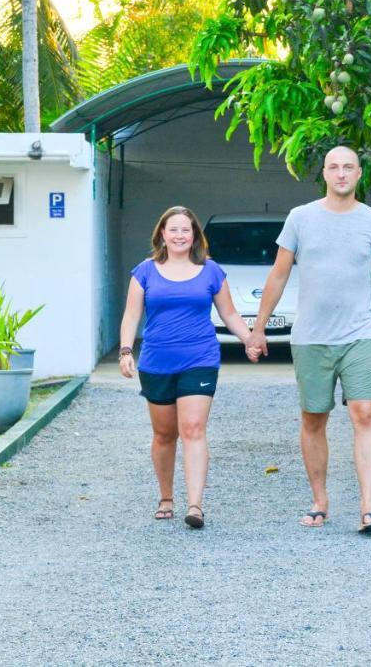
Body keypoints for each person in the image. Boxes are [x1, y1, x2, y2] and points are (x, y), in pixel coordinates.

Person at [246, 146, 371, 534]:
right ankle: (320, 501)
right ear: (323, 173)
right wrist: (258, 328)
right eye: (334, 167)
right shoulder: (301, 218)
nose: (341, 174)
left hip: (360, 334)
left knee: (365, 412)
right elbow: (279, 273)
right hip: (311, 337)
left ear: (358, 174)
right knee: (314, 417)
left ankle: (368, 506)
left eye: (348, 167)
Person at [119, 206, 254, 529]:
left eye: (186, 230)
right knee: (165, 434)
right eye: (173, 230)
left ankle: (195, 505)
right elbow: (131, 316)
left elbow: (230, 315)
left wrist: (250, 339)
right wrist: (126, 350)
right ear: (162, 235)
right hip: (157, 362)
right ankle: (166, 496)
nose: (180, 235)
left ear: (195, 236)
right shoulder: (145, 272)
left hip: (200, 359)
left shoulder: (211, 271)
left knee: (193, 429)